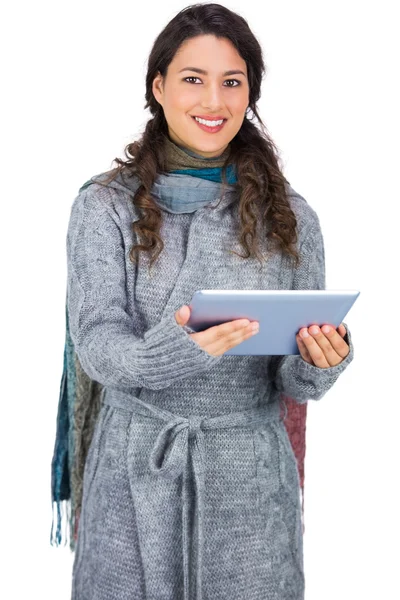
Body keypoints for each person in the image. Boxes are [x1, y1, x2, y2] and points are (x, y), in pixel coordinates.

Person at [59, 3, 354, 599]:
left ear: (250, 95)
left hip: (248, 477)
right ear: (159, 86)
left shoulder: (292, 218)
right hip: (135, 466)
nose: (213, 102)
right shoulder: (104, 207)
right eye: (193, 79)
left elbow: (294, 381)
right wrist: (170, 354)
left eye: (232, 82)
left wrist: (321, 361)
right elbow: (96, 341)